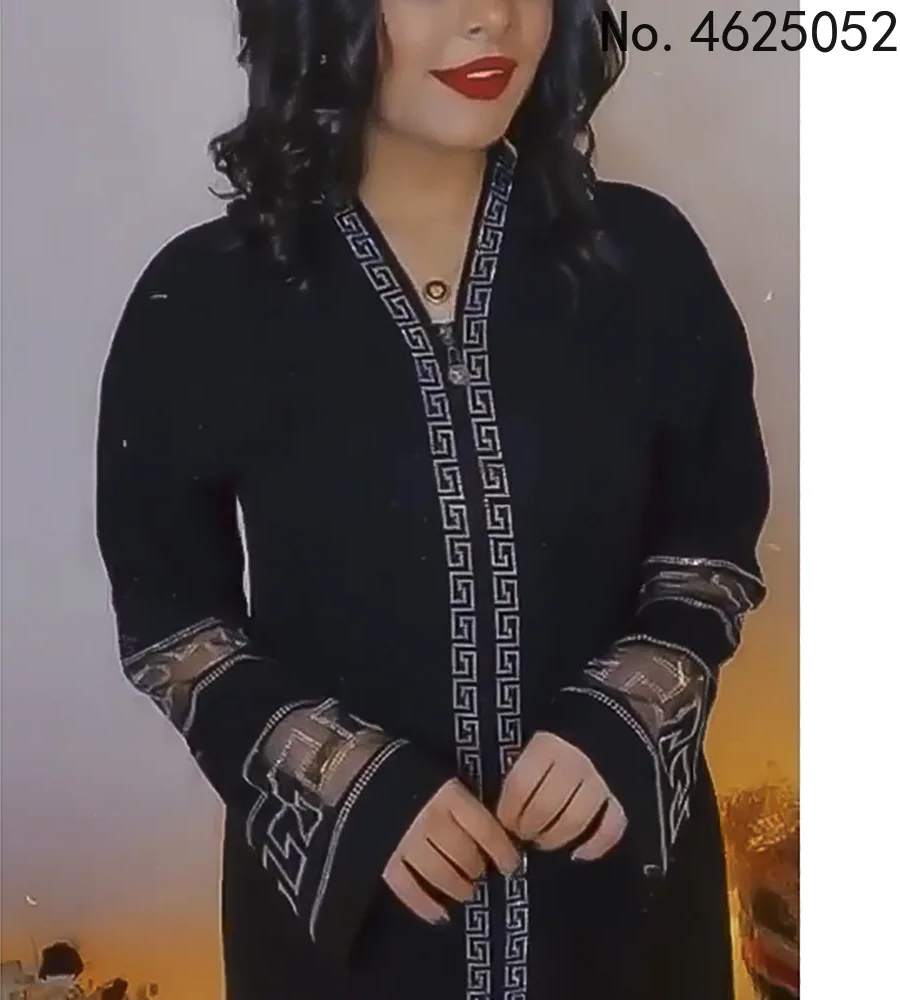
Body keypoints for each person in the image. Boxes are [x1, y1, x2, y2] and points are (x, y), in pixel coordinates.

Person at [95, 1, 771, 998]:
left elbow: (708, 545)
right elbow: (173, 619)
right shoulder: (205, 297)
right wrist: (340, 780)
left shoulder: (641, 256)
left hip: (613, 890)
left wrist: (627, 713)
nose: (490, 17)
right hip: (355, 916)